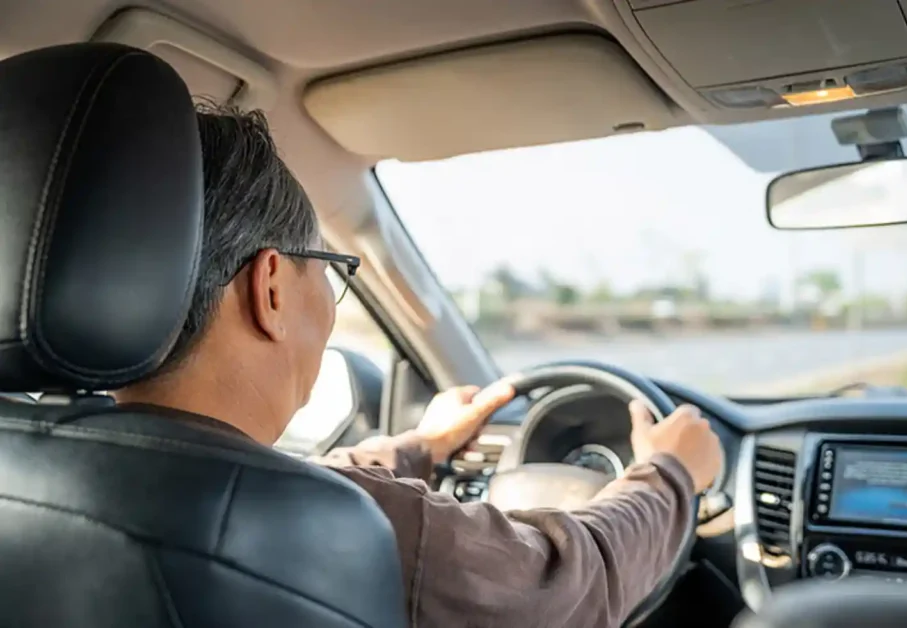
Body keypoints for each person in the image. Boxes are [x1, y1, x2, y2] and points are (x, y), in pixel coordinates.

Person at [115, 103, 723, 628]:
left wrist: (419, 447)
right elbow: (569, 587)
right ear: (271, 287)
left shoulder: (31, 463)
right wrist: (671, 474)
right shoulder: (361, 526)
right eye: (328, 269)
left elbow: (302, 476)